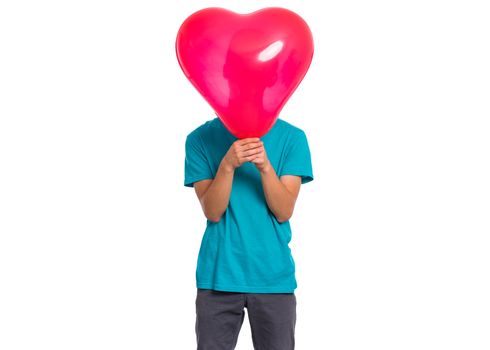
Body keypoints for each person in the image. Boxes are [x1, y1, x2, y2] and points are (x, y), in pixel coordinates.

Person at [184, 115, 313, 350]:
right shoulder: (199, 139)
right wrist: (227, 165)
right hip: (218, 276)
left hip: (273, 277)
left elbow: (284, 211)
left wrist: (264, 166)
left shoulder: (293, 138)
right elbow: (212, 211)